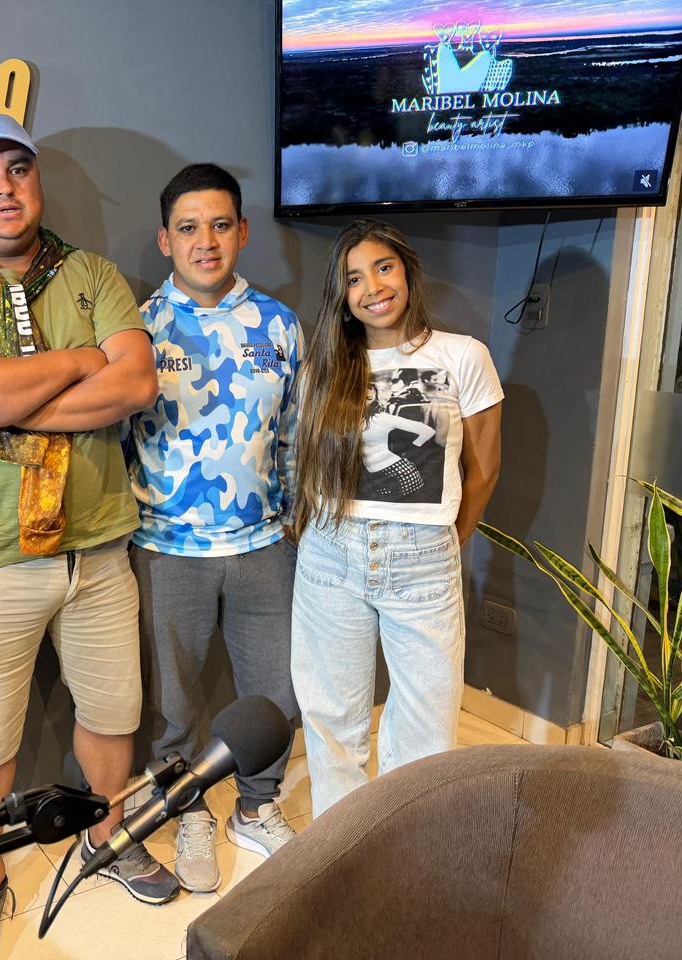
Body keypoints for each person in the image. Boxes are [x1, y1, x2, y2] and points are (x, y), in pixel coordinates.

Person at [0, 112, 175, 960]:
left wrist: (2, 391)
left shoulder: (90, 274)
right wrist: (80, 361)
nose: (3, 188)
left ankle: (105, 837)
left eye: (17, 168)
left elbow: (137, 384)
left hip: (98, 546)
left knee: (114, 713)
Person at [126, 163, 302, 893]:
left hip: (264, 546)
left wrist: (293, 522)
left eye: (221, 225)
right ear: (165, 239)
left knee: (275, 696)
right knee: (171, 704)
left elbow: (293, 433)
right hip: (166, 549)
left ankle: (256, 808)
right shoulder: (136, 327)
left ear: (243, 232)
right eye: (189, 228)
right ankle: (188, 810)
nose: (207, 241)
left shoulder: (279, 324)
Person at [290, 219, 502, 817]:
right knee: (331, 723)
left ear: (407, 270)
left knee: (425, 730)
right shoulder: (324, 366)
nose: (373, 287)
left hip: (423, 556)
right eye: (354, 278)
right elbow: (309, 466)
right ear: (342, 295)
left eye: (383, 267)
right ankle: (342, 847)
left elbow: (484, 470)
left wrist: (444, 542)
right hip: (330, 554)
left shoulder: (462, 355)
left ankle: (407, 849)